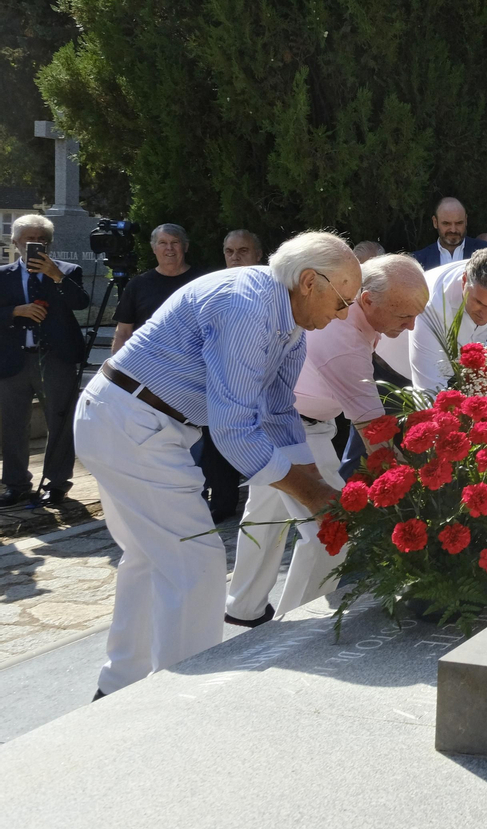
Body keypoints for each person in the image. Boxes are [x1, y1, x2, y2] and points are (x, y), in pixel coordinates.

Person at [75, 232, 356, 696]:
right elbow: (235, 429)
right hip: (130, 423)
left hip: (135, 421)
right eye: (342, 301)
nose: (343, 313)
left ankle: (120, 686)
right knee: (196, 561)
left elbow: (280, 412)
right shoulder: (246, 305)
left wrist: (316, 487)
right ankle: (182, 697)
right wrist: (316, 497)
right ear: (309, 282)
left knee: (151, 557)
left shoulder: (289, 320)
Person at [225, 254, 428, 626]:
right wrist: (420, 494)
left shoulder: (363, 311)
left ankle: (243, 609)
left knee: (264, 519)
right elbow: (375, 435)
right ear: (368, 301)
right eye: (404, 316)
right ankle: (293, 624)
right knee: (330, 532)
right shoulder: (344, 343)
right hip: (295, 430)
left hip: (282, 419)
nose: (413, 325)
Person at [0, 215, 89, 508]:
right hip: (14, 362)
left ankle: (57, 484)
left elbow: (80, 303)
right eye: (29, 238)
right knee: (12, 425)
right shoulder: (3, 275)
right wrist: (16, 311)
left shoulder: (68, 271)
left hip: (56, 360)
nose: (35, 243)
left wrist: (57, 277)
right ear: (15, 241)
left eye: (41, 239)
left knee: (60, 423)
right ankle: (16, 484)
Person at [200, 229, 267, 520]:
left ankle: (265, 504)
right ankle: (222, 503)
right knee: (217, 441)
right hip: (221, 380)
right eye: (229, 251)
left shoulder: (270, 287)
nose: (235, 257)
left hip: (262, 379)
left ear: (258, 255)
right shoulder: (210, 287)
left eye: (243, 251)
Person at [408, 247, 487, 393]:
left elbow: (478, 340)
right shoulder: (431, 304)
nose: (486, 315)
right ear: (464, 281)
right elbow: (428, 390)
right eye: (480, 303)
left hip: (450, 374)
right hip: (397, 373)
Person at [110, 223, 199, 354]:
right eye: (162, 243)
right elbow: (123, 332)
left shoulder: (203, 281)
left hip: (192, 365)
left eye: (175, 242)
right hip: (147, 365)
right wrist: (115, 369)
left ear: (185, 247)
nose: (169, 248)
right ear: (154, 248)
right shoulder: (138, 285)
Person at [412, 197, 487, 269]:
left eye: (459, 223)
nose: (453, 230)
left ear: (466, 220)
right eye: (446, 223)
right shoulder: (418, 261)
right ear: (435, 222)